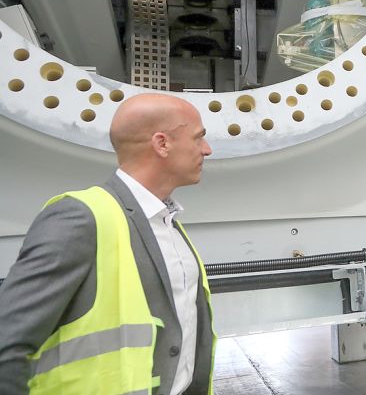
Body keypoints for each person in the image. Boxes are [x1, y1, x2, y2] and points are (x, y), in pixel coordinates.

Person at [0, 93, 216, 395]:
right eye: (198, 139)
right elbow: (6, 344)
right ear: (162, 144)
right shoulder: (81, 217)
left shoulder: (166, 222)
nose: (207, 150)